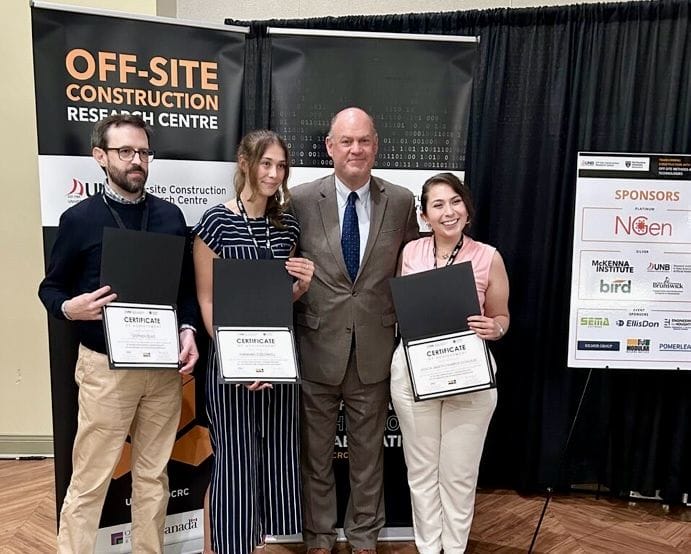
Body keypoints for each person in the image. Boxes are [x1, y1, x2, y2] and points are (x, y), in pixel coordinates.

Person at [38, 114, 200, 553]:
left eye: (143, 152)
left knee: (152, 477)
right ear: (100, 157)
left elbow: (184, 289)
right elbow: (49, 288)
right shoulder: (79, 219)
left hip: (162, 370)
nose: (136, 161)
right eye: (125, 152)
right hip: (105, 371)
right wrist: (71, 308)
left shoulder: (170, 216)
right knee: (90, 480)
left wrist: (187, 329)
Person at [289, 107, 419, 554]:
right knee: (315, 456)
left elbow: (413, 269)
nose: (356, 149)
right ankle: (320, 536)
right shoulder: (300, 199)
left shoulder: (401, 201)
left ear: (376, 145)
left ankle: (364, 537)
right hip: (315, 346)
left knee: (369, 457)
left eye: (363, 140)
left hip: (375, 350)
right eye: (346, 141)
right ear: (330, 147)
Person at [192, 129, 314, 554]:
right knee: (234, 462)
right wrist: (235, 362)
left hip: (279, 363)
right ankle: (223, 548)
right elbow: (206, 300)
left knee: (276, 457)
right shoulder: (215, 222)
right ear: (244, 162)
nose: (274, 173)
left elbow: (283, 301)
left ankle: (259, 542)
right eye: (266, 163)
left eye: (281, 165)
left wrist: (301, 287)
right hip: (231, 366)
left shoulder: (287, 225)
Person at [390, 172, 510, 554]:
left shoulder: (488, 256)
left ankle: (454, 549)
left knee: (458, 476)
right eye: (437, 205)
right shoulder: (410, 253)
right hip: (414, 374)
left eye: (455, 201)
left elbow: (502, 318)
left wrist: (495, 328)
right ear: (425, 216)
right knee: (421, 472)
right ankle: (429, 549)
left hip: (468, 376)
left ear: (467, 208)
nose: (448, 211)